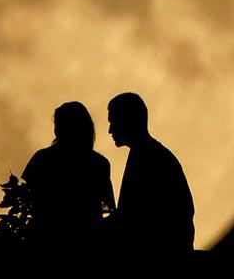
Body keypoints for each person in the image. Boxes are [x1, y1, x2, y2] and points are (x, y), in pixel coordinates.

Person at [107, 92, 195, 255]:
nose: (110, 130)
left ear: (128, 121)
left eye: (114, 122)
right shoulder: (147, 153)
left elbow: (132, 216)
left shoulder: (150, 158)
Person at [22, 101, 115, 243]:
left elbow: (29, 201)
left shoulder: (41, 159)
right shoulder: (100, 163)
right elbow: (105, 208)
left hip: (46, 236)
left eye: (58, 125)